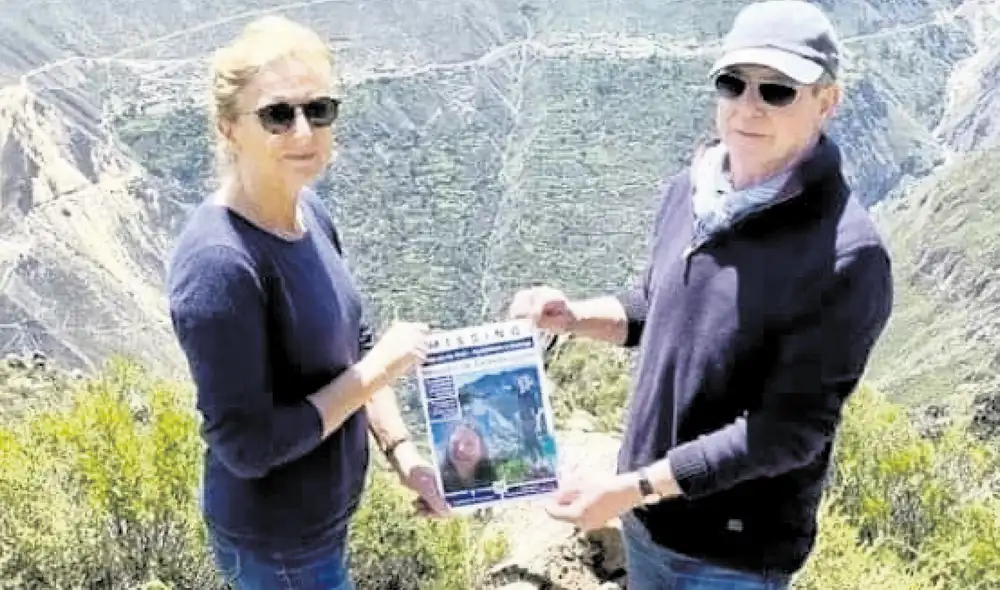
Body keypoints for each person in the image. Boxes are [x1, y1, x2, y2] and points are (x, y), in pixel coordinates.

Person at [508, 1, 893, 588]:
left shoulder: (847, 255)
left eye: (777, 91)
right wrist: (575, 316)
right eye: (732, 83)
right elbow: (655, 304)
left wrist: (636, 485)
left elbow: (787, 431)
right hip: (646, 524)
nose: (747, 106)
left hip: (729, 557)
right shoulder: (692, 191)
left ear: (827, 101)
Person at [166, 15, 448, 590]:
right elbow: (247, 447)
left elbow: (355, 346)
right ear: (228, 128)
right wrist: (376, 373)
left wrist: (404, 457)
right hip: (278, 547)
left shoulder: (308, 212)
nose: (303, 131)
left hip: (321, 527)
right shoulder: (219, 264)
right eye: (277, 114)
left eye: (319, 109)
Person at [438, 420, 497, 493]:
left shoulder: (498, 483)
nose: (461, 449)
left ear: (482, 450)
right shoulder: (436, 485)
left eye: (469, 444)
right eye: (455, 443)